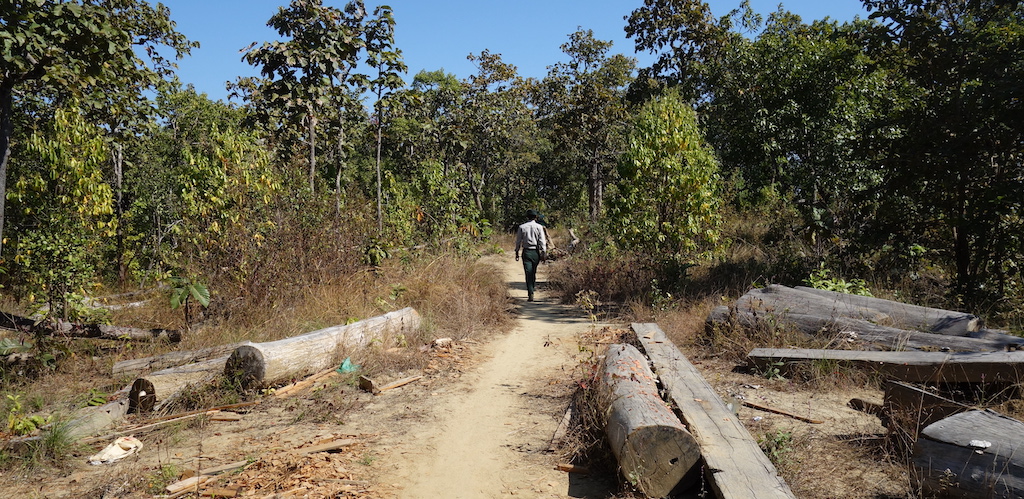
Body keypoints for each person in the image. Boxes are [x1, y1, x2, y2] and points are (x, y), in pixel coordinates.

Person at [514, 209, 547, 302]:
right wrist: (543, 252)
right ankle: (531, 291)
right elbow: (542, 241)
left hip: (526, 252)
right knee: (533, 272)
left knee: (528, 272)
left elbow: (518, 241)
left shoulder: (522, 227)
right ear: (535, 217)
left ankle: (530, 292)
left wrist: (517, 251)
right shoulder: (539, 227)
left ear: (527, 217)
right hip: (535, 252)